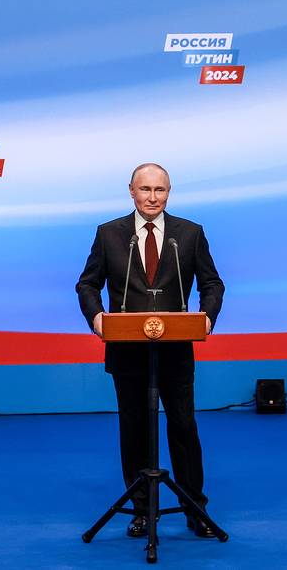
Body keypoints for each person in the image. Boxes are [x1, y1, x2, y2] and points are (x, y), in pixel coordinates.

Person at [75, 162, 225, 538]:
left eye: (160, 190)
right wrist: (97, 318)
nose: (153, 197)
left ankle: (194, 508)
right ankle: (142, 510)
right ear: (132, 191)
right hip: (127, 351)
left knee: (183, 426)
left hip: (175, 351)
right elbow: (87, 284)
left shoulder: (189, 234)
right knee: (134, 429)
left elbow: (212, 283)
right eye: (145, 189)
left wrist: (207, 317)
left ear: (169, 193)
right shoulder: (109, 234)